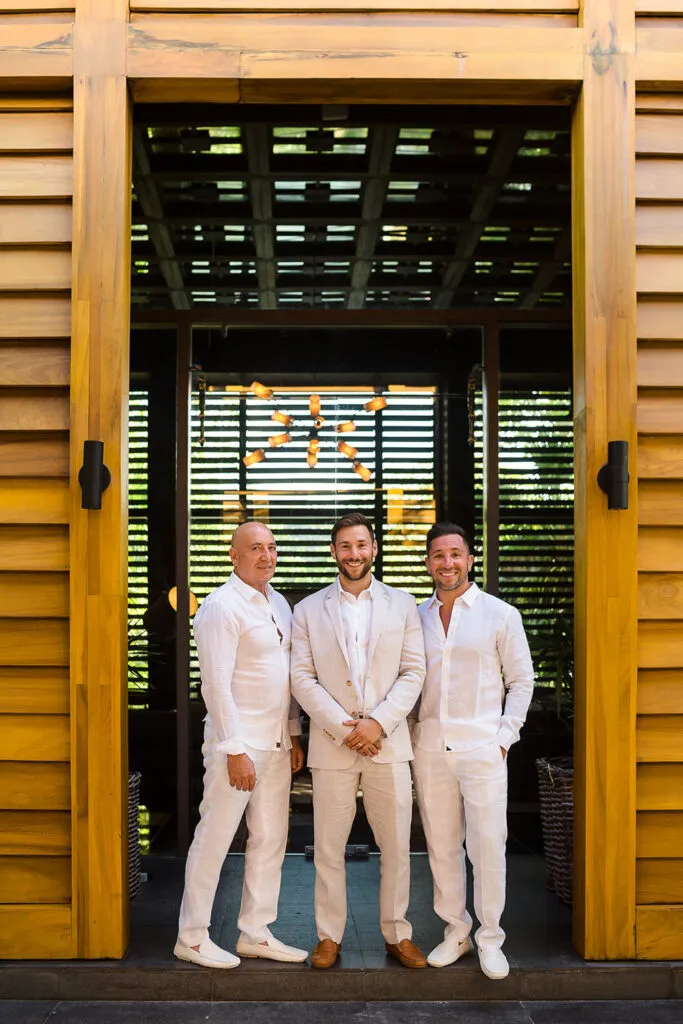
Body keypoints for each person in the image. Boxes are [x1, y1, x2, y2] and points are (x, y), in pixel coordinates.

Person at [291, 511, 426, 970]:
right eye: (345, 546)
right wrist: (345, 728)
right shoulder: (307, 609)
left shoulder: (403, 604)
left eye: (361, 544)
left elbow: (413, 671)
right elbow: (302, 678)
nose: (354, 554)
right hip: (333, 747)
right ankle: (328, 937)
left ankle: (397, 933)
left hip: (388, 744)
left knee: (396, 847)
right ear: (334, 552)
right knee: (328, 848)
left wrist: (379, 724)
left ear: (373, 548)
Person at [174, 521, 307, 969]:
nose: (266, 556)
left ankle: (255, 932)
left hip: (274, 745)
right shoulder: (220, 607)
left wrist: (292, 733)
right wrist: (233, 748)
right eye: (255, 548)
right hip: (239, 745)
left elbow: (285, 676)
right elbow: (214, 685)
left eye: (272, 547)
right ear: (234, 555)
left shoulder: (279, 604)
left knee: (271, 838)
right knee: (215, 837)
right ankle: (191, 938)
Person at [411, 522, 534, 980]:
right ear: (428, 562)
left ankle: (490, 937)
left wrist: (503, 738)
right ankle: (455, 931)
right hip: (429, 747)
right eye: (439, 555)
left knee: (487, 845)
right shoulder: (416, 617)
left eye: (455, 555)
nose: (447, 563)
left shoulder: (500, 614)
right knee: (442, 846)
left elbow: (521, 681)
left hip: (483, 747)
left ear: (470, 559)